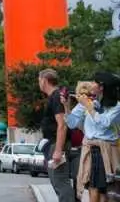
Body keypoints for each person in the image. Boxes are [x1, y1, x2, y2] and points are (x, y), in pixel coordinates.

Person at [63, 74, 120, 202]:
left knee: (105, 190)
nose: (91, 85)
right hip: (90, 149)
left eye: (95, 82)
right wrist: (67, 106)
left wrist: (89, 107)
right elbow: (71, 123)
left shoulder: (116, 107)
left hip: (106, 150)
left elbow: (105, 122)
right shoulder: (87, 102)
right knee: (92, 187)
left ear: (102, 87)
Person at [39, 68, 75, 202]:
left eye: (39, 80)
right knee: (56, 181)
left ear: (44, 80)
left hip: (57, 144)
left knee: (60, 181)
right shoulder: (56, 96)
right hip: (53, 143)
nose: (39, 83)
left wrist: (58, 150)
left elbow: (62, 124)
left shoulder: (56, 97)